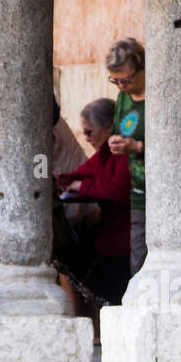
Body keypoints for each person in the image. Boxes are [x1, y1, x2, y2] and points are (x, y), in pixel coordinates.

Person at [53, 98, 131, 307]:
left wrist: (81, 187)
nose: (86, 138)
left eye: (89, 132)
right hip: (107, 234)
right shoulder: (103, 153)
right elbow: (82, 172)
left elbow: (116, 192)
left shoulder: (122, 153)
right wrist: (59, 179)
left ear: (107, 129)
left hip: (123, 239)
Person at [105, 38, 146, 273]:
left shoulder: (158, 96)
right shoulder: (123, 97)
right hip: (138, 192)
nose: (121, 86)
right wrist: (115, 141)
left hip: (164, 192)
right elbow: (118, 129)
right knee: (138, 261)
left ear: (141, 69)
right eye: (115, 81)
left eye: (126, 79)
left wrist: (138, 147)